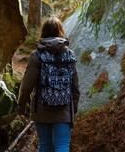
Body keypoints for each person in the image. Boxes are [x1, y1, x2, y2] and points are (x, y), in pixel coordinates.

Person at [18, 16, 80, 152]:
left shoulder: (37, 55)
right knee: (62, 146)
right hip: (64, 108)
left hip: (41, 108)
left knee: (45, 146)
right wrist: (73, 109)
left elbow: (26, 86)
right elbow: (75, 86)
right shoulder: (69, 54)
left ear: (43, 32)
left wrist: (22, 107)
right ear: (61, 32)